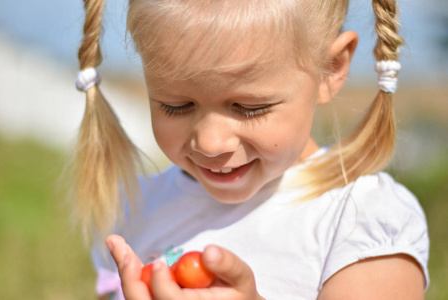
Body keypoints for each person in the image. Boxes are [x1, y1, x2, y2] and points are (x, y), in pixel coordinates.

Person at [73, 0, 429, 299]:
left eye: (249, 108)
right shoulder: (137, 210)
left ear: (330, 70)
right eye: (176, 105)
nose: (210, 144)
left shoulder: (359, 222)